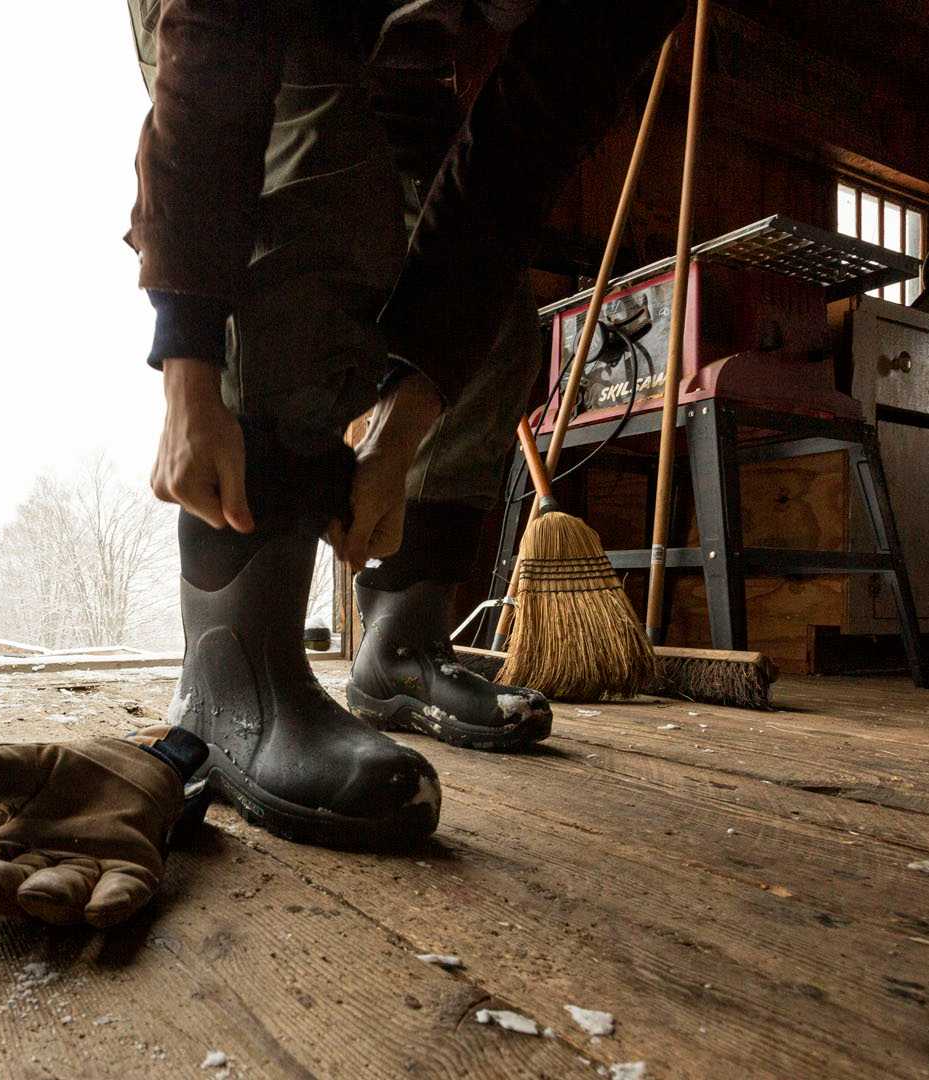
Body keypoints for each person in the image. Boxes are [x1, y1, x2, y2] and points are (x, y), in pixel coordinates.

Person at [129, 0, 687, 850]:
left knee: (491, 318)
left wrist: (407, 412)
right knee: (321, 195)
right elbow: (217, 57)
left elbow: (510, 171)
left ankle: (400, 650)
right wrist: (190, 362)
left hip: (404, 39)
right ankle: (231, 679)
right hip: (228, 23)